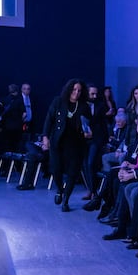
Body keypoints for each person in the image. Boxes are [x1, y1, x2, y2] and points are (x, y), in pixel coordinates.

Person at [42, 79, 92, 212]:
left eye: (79, 90)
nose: (76, 92)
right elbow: (49, 119)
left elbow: (88, 125)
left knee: (72, 173)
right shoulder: (58, 101)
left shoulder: (84, 106)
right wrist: (45, 137)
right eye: (74, 89)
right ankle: (60, 189)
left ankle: (66, 200)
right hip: (58, 142)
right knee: (55, 170)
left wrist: (88, 132)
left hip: (75, 144)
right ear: (69, 89)